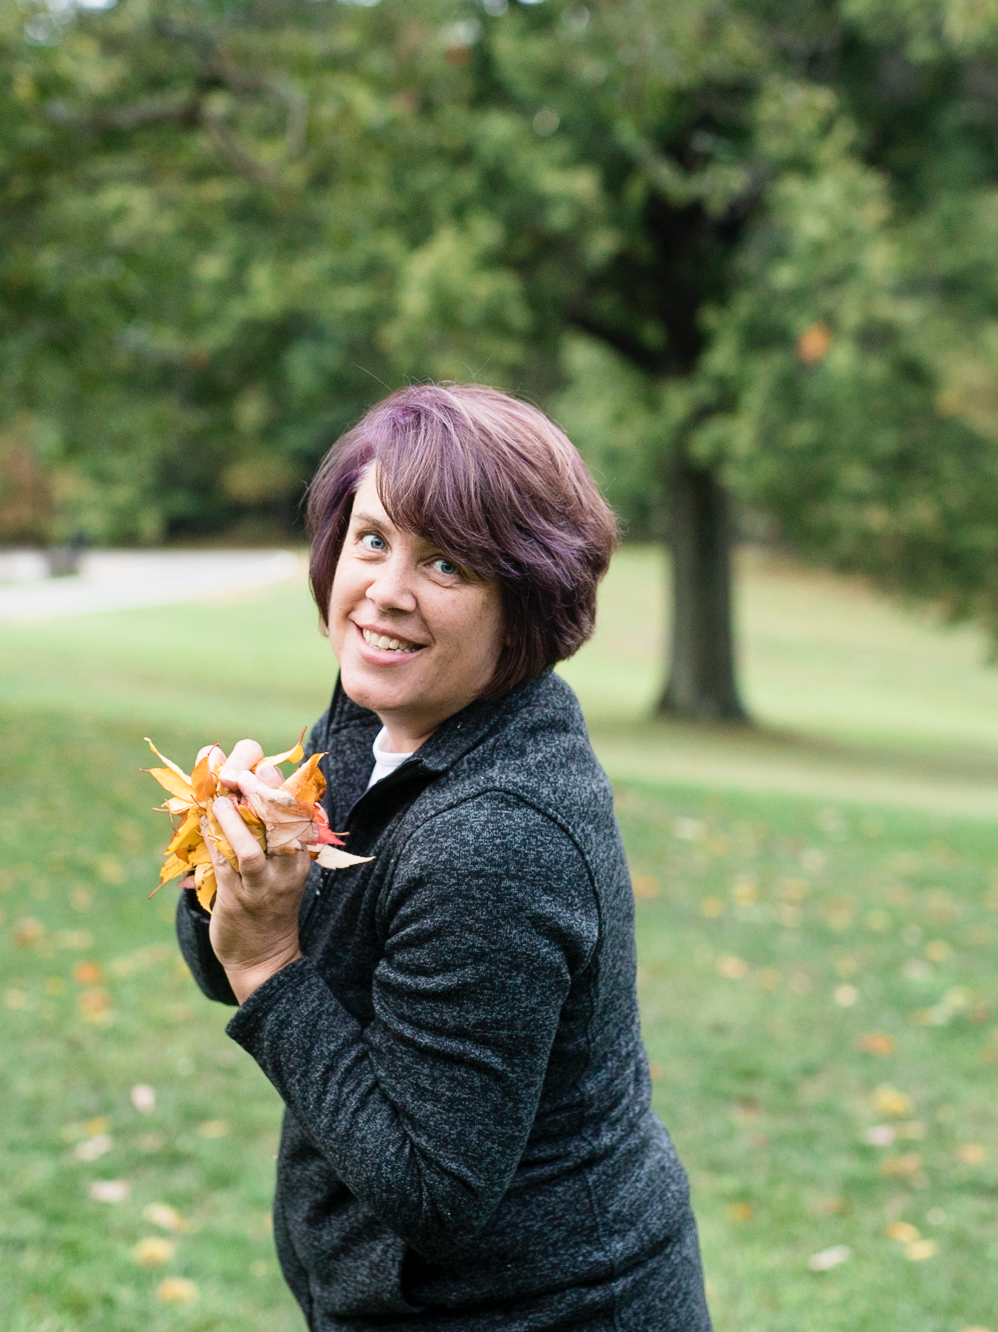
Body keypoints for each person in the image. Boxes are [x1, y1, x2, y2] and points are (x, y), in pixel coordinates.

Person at [176, 383, 711, 1330]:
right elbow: (233, 967)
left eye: (447, 564)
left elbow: (435, 1187)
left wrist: (267, 959)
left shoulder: (496, 840)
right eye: (373, 538)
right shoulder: (372, 719)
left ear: (525, 602)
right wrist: (227, 867)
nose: (385, 591)